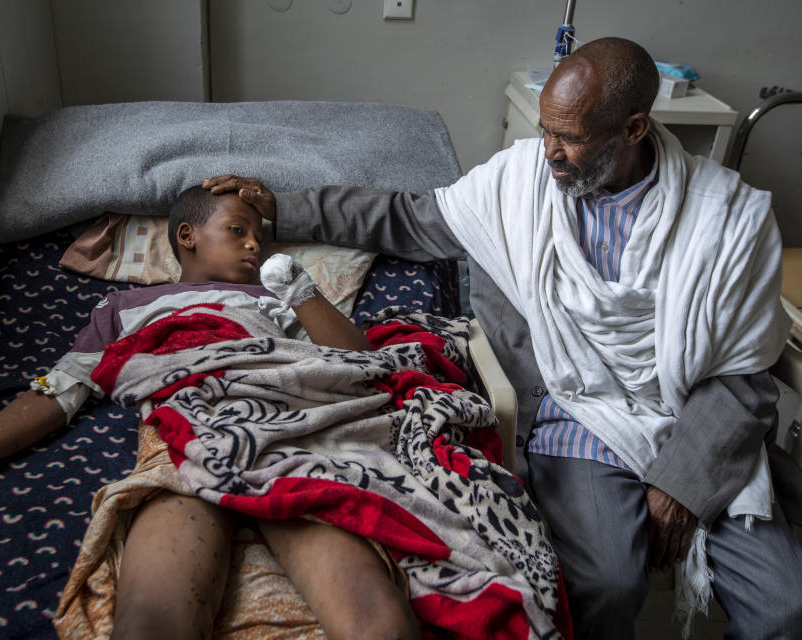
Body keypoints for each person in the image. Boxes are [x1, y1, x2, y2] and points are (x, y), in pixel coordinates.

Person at [204, 37, 802, 639]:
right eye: (545, 130)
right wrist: (280, 210)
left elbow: (744, 375)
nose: (548, 152)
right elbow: (407, 218)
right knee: (607, 583)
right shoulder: (517, 185)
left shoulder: (729, 219)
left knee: (784, 609)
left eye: (568, 138)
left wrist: (682, 483)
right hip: (580, 407)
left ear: (633, 129)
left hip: (699, 415)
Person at [0, 185, 420, 640]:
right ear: (188, 236)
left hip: (287, 431)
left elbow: (360, 366)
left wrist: (301, 292)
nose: (255, 244)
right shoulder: (127, 308)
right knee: (151, 622)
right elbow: (56, 394)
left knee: (374, 616)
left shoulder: (274, 300)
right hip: (187, 439)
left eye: (262, 235)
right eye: (238, 229)